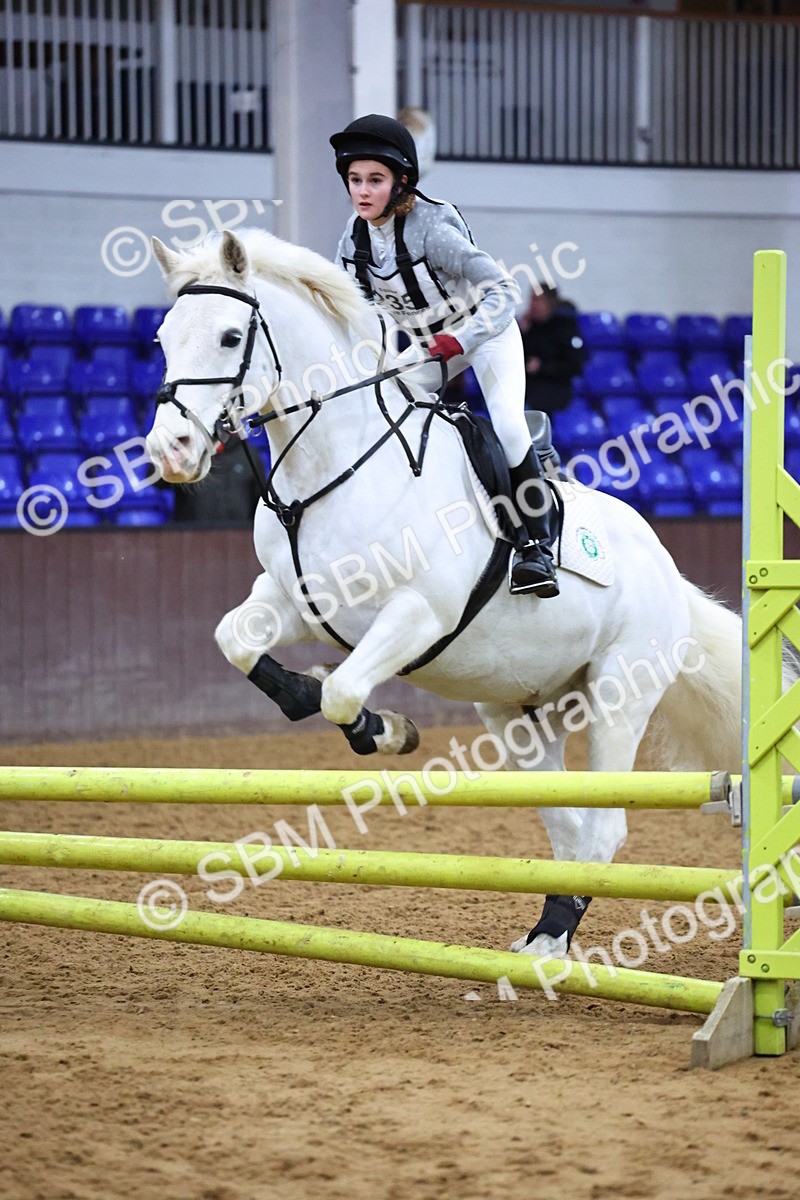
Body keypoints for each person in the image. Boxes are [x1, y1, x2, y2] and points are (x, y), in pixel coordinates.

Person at [329, 113, 559, 598]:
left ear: (401, 182)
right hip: (430, 349)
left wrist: (463, 337)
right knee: (379, 417)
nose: (363, 191)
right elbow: (345, 314)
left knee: (508, 424)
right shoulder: (353, 240)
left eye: (375, 180)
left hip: (486, 335)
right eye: (355, 180)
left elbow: (503, 290)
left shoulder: (433, 228)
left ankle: (536, 546)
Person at [519, 284, 584, 415]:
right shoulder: (530, 328)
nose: (532, 305)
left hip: (553, 392)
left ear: (550, 302)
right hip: (529, 390)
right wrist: (522, 333)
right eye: (531, 299)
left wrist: (542, 367)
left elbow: (574, 365)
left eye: (537, 300)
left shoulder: (564, 328)